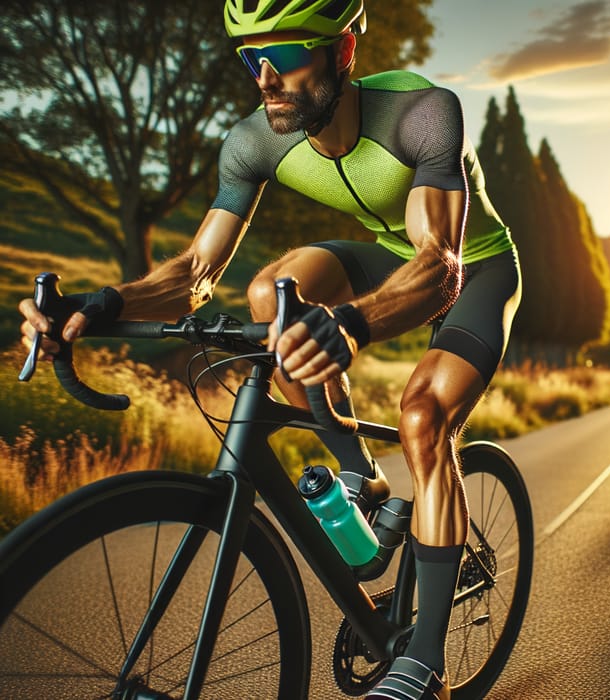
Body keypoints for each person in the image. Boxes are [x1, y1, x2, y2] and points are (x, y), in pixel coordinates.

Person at [19, 1, 522, 697]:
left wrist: (347, 325)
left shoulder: (423, 114)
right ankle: (360, 476)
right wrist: (99, 304)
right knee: (269, 296)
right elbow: (195, 273)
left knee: (422, 418)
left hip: (476, 268)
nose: (263, 78)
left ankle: (423, 660)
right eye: (248, 58)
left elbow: (439, 264)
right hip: (383, 254)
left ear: (342, 52)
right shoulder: (252, 141)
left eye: (282, 56)